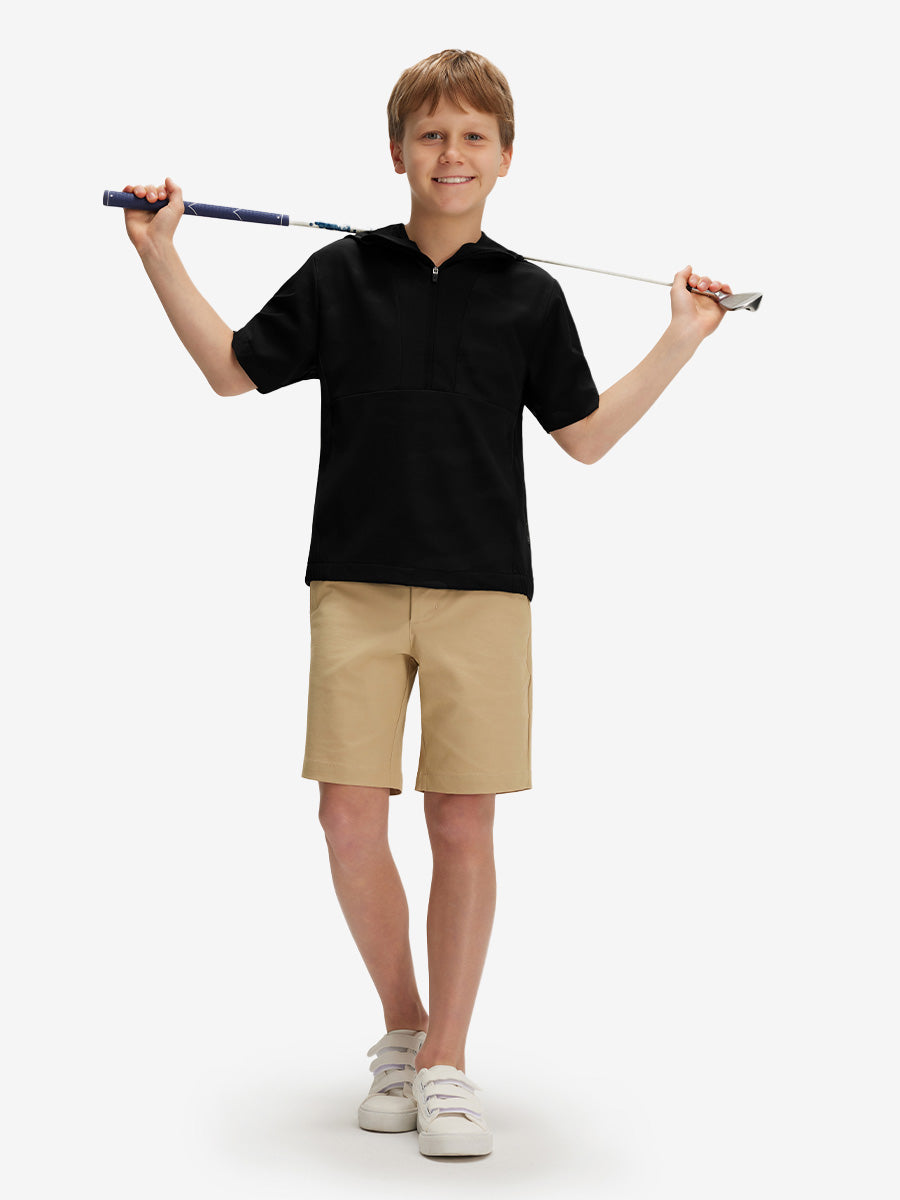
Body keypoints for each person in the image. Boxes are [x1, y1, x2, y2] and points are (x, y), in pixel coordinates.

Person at [121, 48, 731, 1159]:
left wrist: (681, 340)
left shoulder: (529, 295)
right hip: (352, 588)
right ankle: (407, 1028)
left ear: (506, 158)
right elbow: (230, 370)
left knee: (461, 822)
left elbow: (586, 438)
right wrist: (160, 253)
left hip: (484, 595)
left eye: (474, 137)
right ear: (397, 152)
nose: (453, 154)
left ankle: (447, 1060)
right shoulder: (342, 274)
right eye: (433, 135)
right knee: (347, 819)